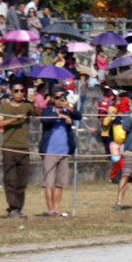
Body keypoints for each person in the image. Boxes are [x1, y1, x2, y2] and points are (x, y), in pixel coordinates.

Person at [0, 79, 39, 219]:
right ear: (11, 92)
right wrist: (13, 119)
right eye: (16, 91)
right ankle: (12, 208)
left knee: (22, 181)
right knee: (10, 180)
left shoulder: (27, 106)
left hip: (23, 147)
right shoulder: (5, 107)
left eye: (22, 91)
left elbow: (37, 114)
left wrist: (33, 103)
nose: (19, 93)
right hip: (9, 146)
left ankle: (18, 208)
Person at [38, 87, 81, 217]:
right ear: (52, 99)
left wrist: (69, 108)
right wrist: (59, 115)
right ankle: (50, 209)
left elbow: (78, 116)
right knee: (49, 183)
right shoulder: (47, 111)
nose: (60, 100)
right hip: (50, 152)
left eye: (62, 97)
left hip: (64, 152)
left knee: (60, 183)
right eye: (57, 97)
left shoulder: (68, 111)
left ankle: (56, 209)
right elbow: (44, 119)